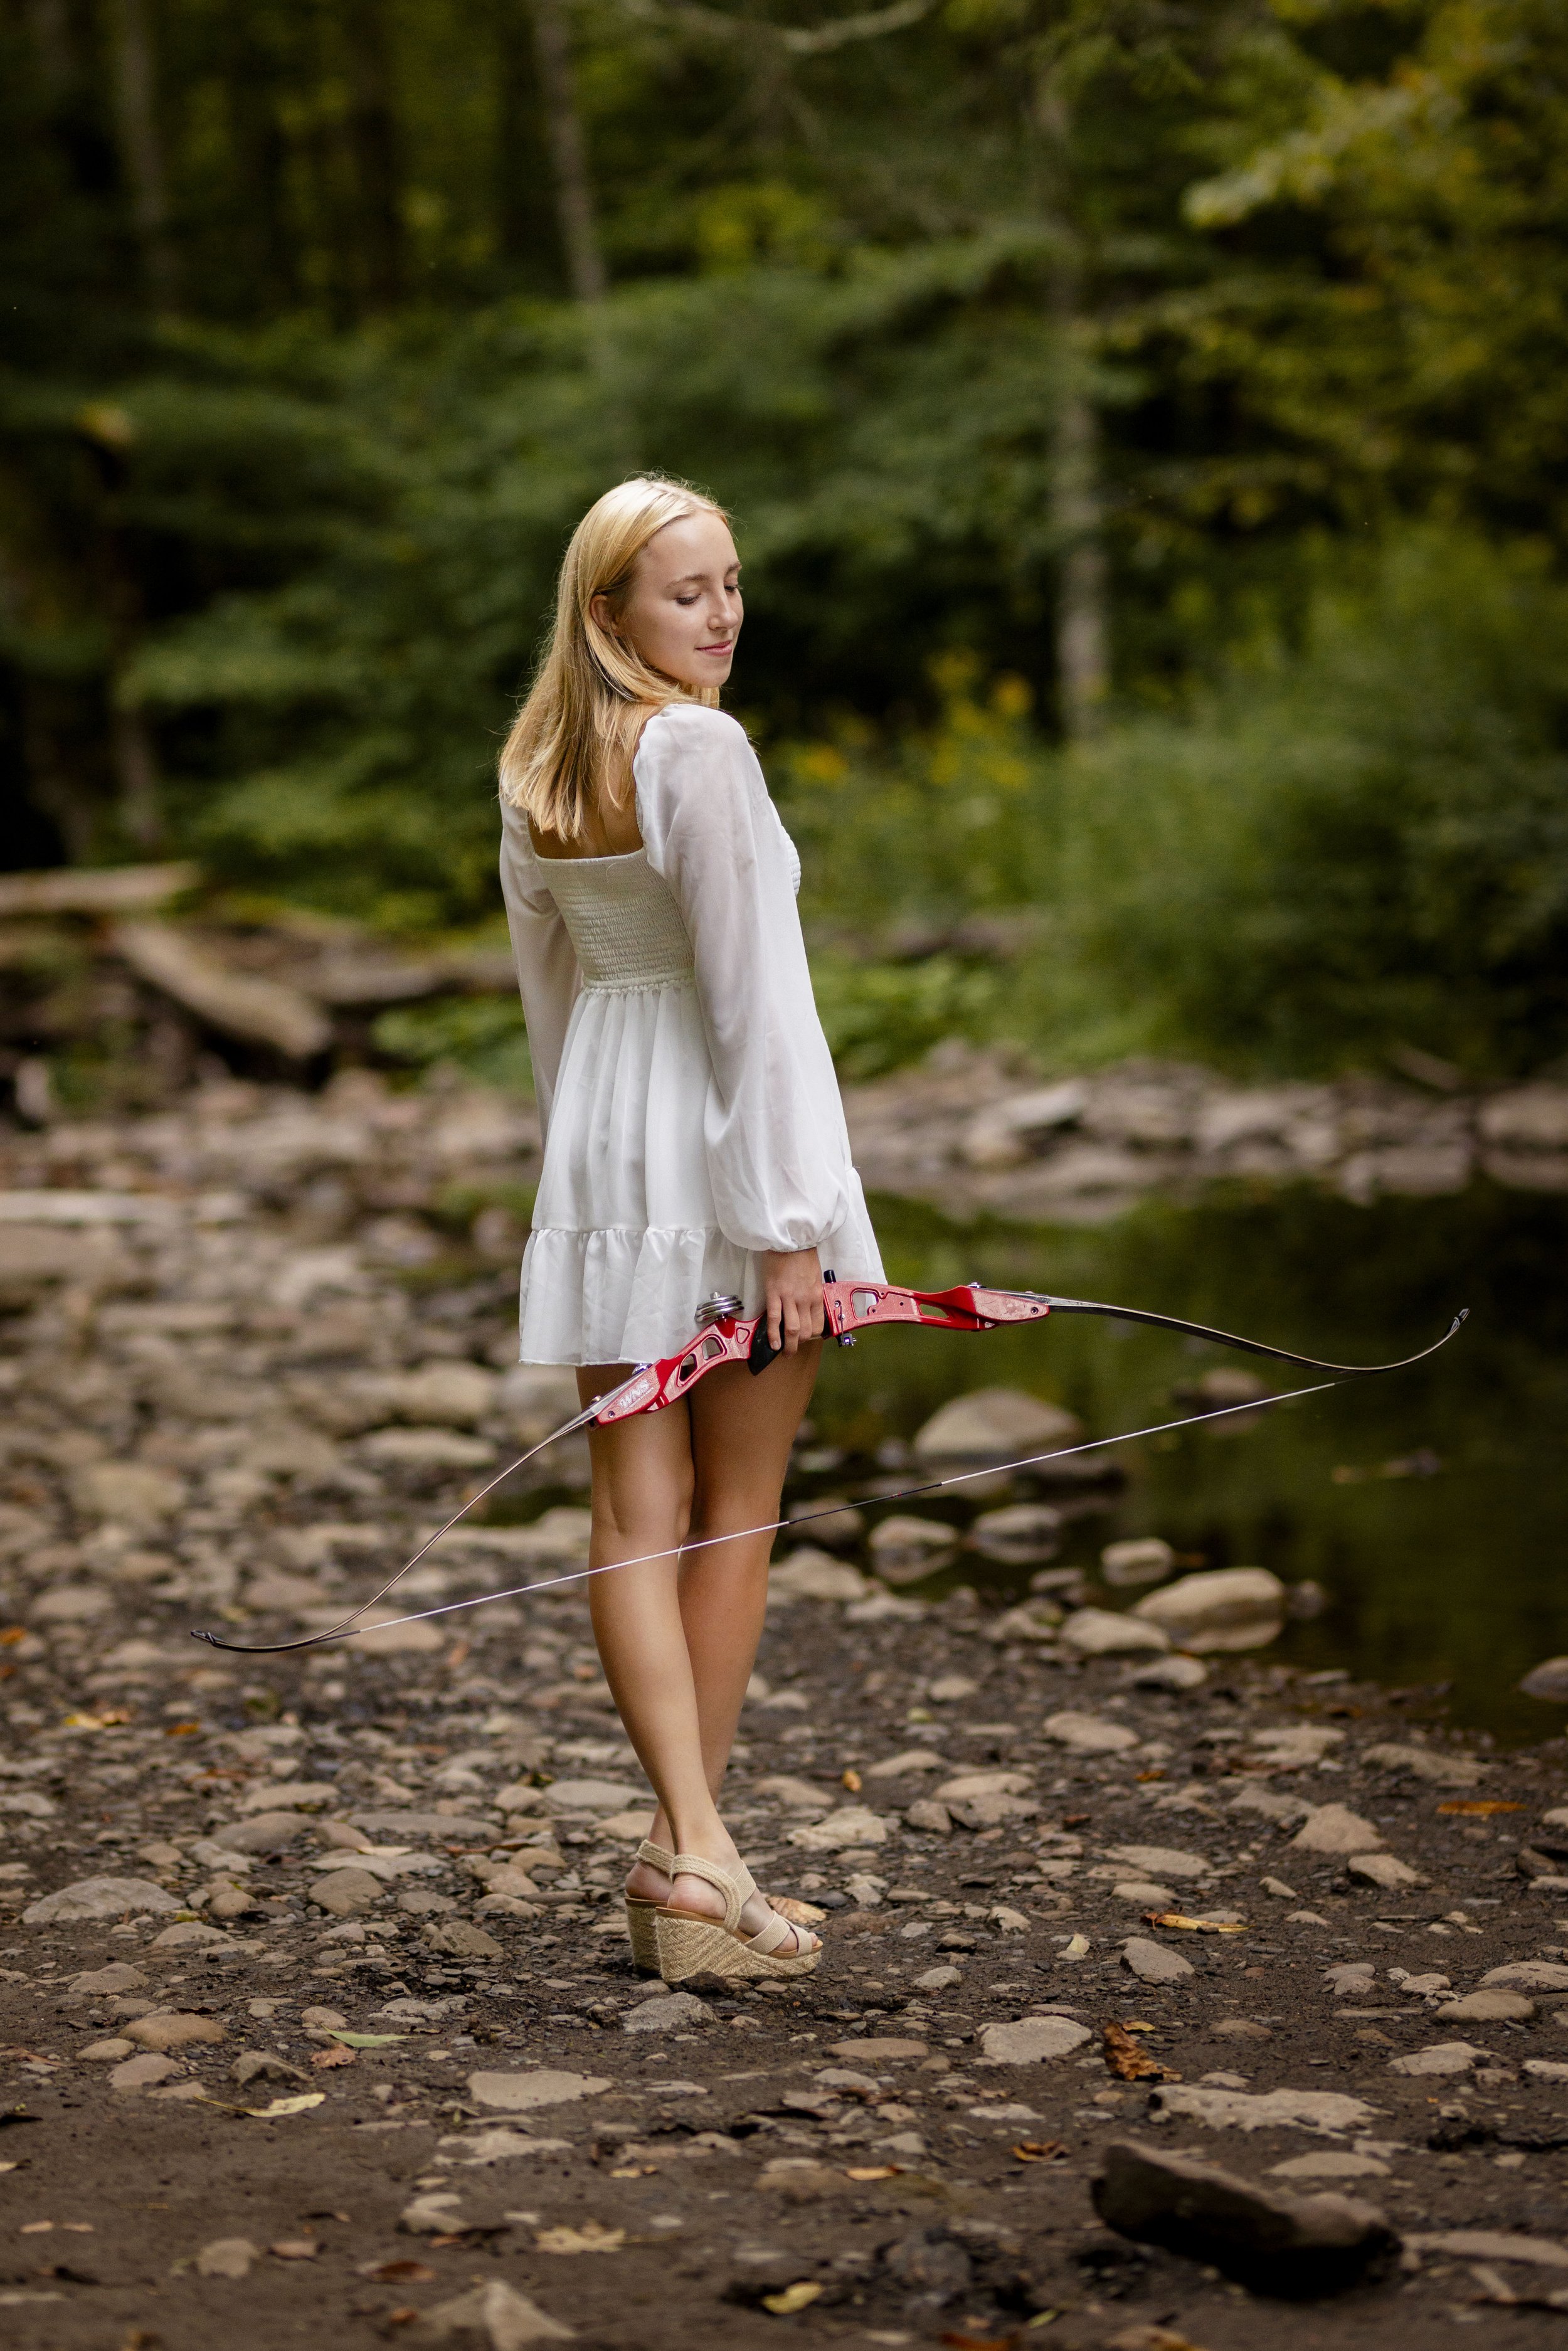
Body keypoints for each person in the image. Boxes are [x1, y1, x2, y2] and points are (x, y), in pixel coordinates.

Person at [497, 475, 885, 1983]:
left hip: (604, 1140)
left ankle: (685, 1852)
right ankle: (695, 1856)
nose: (720, 614)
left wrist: (581, 1163)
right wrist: (785, 1227)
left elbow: (556, 1000)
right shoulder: (703, 748)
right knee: (732, 1505)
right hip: (725, 1145)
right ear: (607, 613)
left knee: (629, 1507)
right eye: (684, 592)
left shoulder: (537, 758)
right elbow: (752, 1002)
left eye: (730, 583)